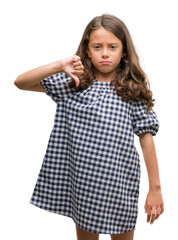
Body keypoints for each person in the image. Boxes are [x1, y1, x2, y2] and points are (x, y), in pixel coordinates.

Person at [14, 14, 164, 240]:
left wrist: (155, 189)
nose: (105, 53)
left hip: (119, 184)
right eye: (97, 46)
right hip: (83, 184)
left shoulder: (131, 90)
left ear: (123, 51)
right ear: (87, 49)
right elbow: (21, 82)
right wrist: (59, 65)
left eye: (112, 47)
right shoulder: (74, 84)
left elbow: (146, 138)